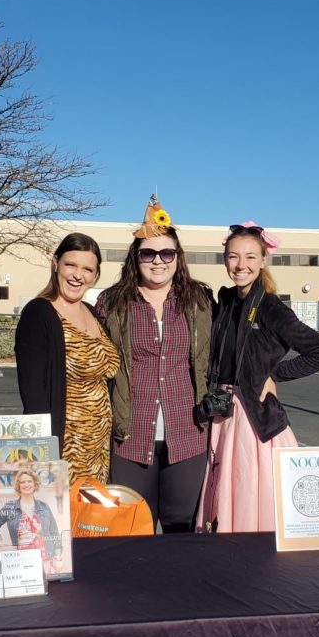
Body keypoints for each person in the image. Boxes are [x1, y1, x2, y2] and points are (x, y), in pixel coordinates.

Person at [197, 221, 319, 533]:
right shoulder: (227, 302)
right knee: (224, 493)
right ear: (225, 260)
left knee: (250, 493)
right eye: (233, 257)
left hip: (254, 421)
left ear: (263, 260)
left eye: (249, 257)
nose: (240, 265)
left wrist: (274, 374)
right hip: (223, 414)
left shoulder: (271, 307)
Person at [98, 197, 213, 534]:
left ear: (178, 258)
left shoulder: (199, 301)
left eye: (167, 253)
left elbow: (226, 350)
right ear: (136, 258)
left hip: (187, 433)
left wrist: (269, 376)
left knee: (181, 529)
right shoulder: (113, 302)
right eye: (148, 253)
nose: (158, 261)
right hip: (130, 434)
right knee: (134, 529)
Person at [15, 233, 120, 482]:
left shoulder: (92, 313)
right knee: (65, 518)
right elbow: (33, 395)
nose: (77, 275)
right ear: (55, 263)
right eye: (70, 265)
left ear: (95, 276)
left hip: (98, 446)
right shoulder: (40, 312)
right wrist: (45, 456)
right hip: (64, 447)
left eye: (87, 269)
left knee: (93, 518)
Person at [0, 468, 64, 574]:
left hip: (45, 561)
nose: (26, 484)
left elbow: (54, 533)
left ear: (35, 484)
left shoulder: (44, 507)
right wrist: (4, 546)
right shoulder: (10, 507)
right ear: (18, 485)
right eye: (23, 482)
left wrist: (58, 557)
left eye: (29, 481)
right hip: (21, 562)